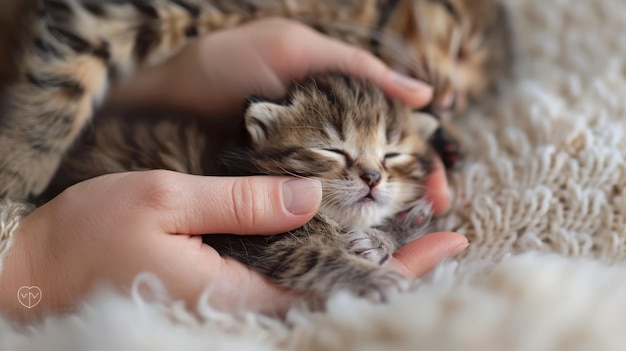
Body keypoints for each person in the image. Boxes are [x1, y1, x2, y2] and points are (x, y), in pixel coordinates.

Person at [0, 18, 468, 320]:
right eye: (334, 152)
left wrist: (178, 73)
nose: (372, 175)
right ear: (264, 134)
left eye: (392, 159)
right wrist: (31, 267)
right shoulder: (268, 194)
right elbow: (288, 254)